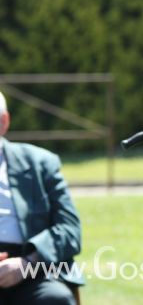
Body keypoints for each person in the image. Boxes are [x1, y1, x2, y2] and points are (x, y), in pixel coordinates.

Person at [0, 91, 83, 304]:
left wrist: (28, 263)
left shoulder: (41, 164)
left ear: (4, 122)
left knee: (56, 298)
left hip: (30, 265)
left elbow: (69, 230)